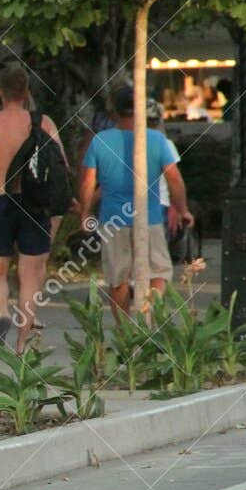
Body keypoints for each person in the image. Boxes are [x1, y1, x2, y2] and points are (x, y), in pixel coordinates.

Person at [0, 64, 67, 350]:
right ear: (26, 93)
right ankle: (22, 343)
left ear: (0, 93)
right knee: (29, 275)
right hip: (34, 205)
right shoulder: (43, 122)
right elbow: (61, 165)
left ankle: (1, 313)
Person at [76, 84, 194, 318]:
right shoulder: (156, 140)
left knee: (118, 277)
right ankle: (147, 318)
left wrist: (85, 213)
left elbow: (89, 182)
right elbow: (175, 180)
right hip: (149, 216)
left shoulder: (100, 141)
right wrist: (183, 210)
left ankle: (124, 333)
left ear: (114, 113)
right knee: (159, 271)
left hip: (112, 219)